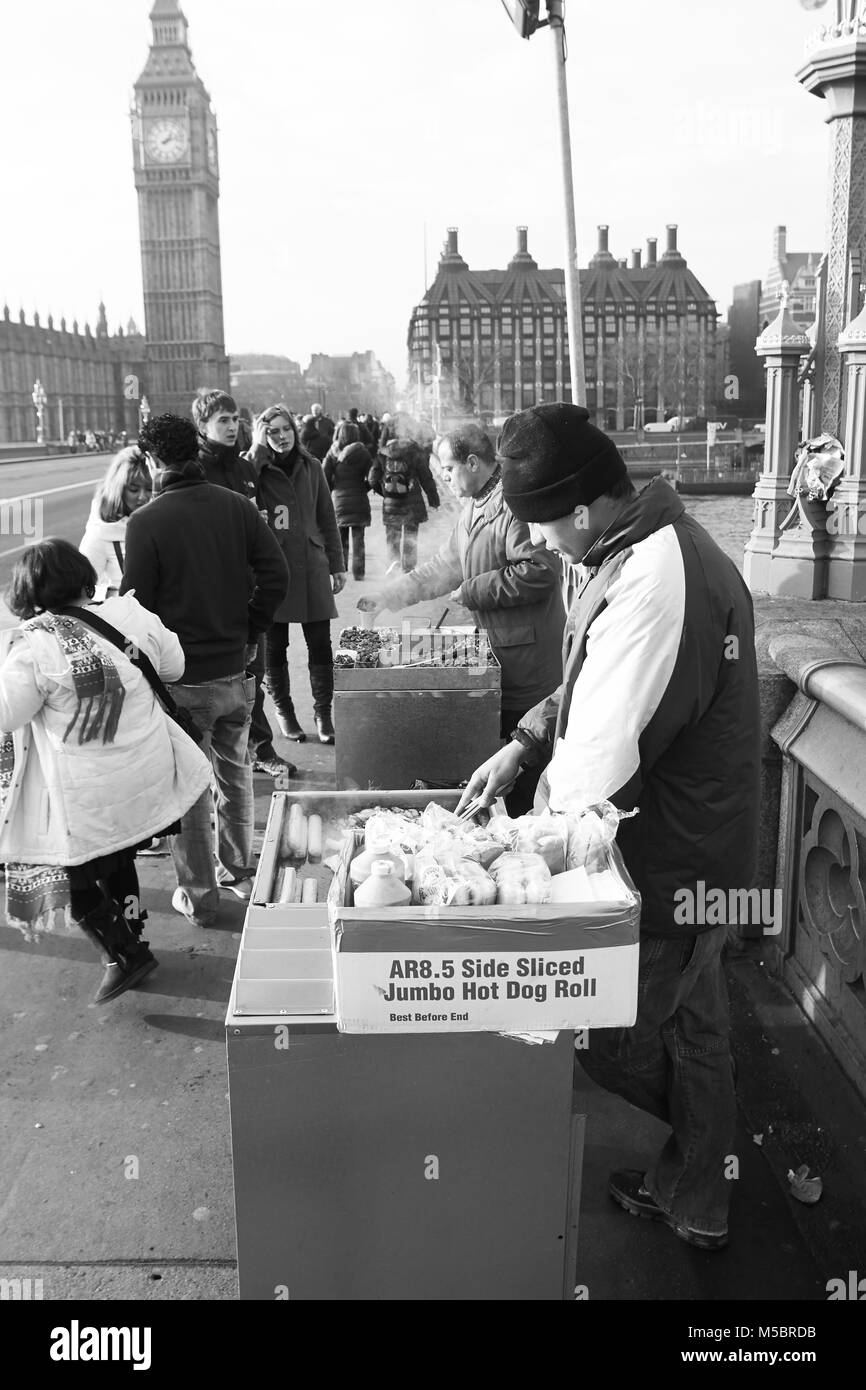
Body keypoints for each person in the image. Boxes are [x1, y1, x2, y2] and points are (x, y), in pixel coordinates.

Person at [457, 402, 761, 1252]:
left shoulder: (653, 577)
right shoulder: (635, 547)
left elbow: (594, 765)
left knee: (606, 1033)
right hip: (704, 846)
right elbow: (592, 679)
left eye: (543, 525)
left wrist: (499, 852)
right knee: (696, 1028)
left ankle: (709, 1161)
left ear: (583, 510)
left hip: (670, 857)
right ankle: (702, 1195)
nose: (542, 543)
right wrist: (523, 741)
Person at [0, 539, 212, 1002]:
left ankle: (121, 953)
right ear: (82, 578)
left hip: (85, 795)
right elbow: (174, 667)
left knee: (68, 874)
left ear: (27, 592)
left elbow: (6, 715)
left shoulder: (34, 647)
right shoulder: (130, 615)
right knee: (119, 858)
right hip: (144, 776)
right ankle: (134, 936)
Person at [120, 414, 288, 925]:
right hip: (235, 671)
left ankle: (200, 894)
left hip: (180, 684)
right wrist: (249, 628)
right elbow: (275, 575)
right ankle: (238, 871)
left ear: (152, 461)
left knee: (189, 788)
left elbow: (136, 608)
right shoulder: (237, 507)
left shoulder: (146, 521)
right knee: (235, 773)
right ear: (195, 449)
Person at [358, 424, 564, 813]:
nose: (443, 477)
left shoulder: (514, 506)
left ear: (473, 462)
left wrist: (472, 591)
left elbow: (539, 571)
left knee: (526, 767)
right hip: (500, 657)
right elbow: (444, 567)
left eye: (448, 469)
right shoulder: (473, 505)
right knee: (500, 763)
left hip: (529, 665)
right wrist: (388, 596)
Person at [192, 388, 292, 781]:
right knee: (223, 681)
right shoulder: (196, 470)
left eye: (235, 420)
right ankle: (230, 754)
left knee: (254, 674)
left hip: (249, 587)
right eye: (223, 420)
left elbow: (263, 523)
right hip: (214, 591)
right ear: (203, 425)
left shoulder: (246, 468)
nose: (232, 427)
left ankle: (257, 748)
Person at [244, 405, 346, 745]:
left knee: (320, 644)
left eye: (286, 429)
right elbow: (245, 496)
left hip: (312, 565)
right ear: (262, 434)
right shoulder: (254, 468)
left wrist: (337, 564)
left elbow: (326, 518)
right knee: (275, 647)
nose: (282, 436)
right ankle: (285, 712)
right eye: (272, 431)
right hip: (272, 570)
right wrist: (258, 450)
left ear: (295, 431)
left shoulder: (312, 466)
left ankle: (323, 713)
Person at [79, 446, 152, 600]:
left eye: (149, 489)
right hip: (127, 620)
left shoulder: (161, 519)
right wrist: (111, 594)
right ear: (119, 489)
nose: (143, 497)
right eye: (134, 489)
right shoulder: (102, 530)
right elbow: (81, 589)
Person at [367, 435, 440, 574]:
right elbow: (426, 478)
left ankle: (393, 563)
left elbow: (372, 479)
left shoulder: (383, 453)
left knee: (393, 536)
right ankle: (409, 570)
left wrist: (385, 492)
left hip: (390, 503)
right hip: (412, 503)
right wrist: (434, 500)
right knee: (410, 538)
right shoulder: (415, 453)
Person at [323, 421, 373, 581]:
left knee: (340, 537)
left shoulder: (333, 452)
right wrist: (364, 487)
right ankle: (359, 573)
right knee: (359, 538)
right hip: (359, 497)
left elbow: (325, 476)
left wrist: (333, 490)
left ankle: (341, 568)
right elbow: (372, 477)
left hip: (339, 499)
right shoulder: (363, 452)